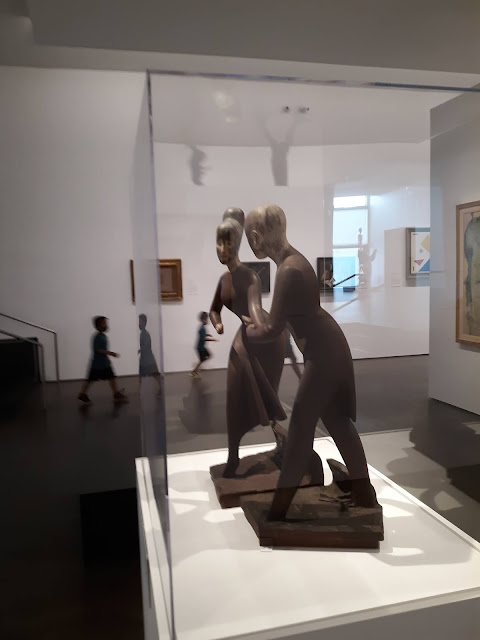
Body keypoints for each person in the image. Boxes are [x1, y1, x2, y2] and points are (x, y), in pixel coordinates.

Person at [244, 204, 376, 520]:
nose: (250, 243)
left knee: (301, 431)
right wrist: (260, 321)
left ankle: (278, 512)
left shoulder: (289, 269)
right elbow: (281, 322)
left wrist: (250, 327)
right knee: (337, 424)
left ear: (258, 236)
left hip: (324, 355)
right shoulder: (291, 263)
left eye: (250, 237)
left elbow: (271, 330)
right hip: (325, 350)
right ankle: (364, 494)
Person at [210, 207, 286, 476]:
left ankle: (280, 441)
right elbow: (214, 309)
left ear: (237, 245)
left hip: (264, 339)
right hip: (247, 335)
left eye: (227, 243)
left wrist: (257, 323)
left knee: (265, 394)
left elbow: (255, 311)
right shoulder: (223, 280)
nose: (222, 249)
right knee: (236, 395)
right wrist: (218, 323)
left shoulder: (249, 276)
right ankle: (234, 455)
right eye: (219, 243)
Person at [78, 316, 127, 404]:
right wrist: (111, 353)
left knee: (111, 377)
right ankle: (82, 394)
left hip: (105, 363)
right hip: (97, 364)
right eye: (103, 323)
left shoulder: (103, 336)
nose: (106, 325)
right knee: (90, 379)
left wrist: (108, 356)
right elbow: (98, 350)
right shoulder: (97, 337)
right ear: (98, 326)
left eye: (106, 323)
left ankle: (116, 393)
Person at [138, 314, 162, 393]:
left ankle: (161, 388)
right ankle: (141, 390)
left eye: (140, 322)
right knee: (142, 374)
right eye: (139, 321)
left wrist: (141, 349)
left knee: (155, 373)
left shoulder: (145, 334)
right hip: (144, 358)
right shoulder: (142, 333)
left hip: (148, 358)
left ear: (144, 323)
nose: (139, 324)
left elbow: (147, 345)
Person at [190, 312, 216, 379]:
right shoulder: (202, 328)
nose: (208, 321)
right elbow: (204, 339)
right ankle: (194, 371)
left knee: (208, 356)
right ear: (204, 320)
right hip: (200, 348)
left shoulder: (202, 327)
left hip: (202, 347)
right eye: (207, 319)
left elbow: (202, 335)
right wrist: (213, 340)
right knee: (203, 359)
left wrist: (207, 335)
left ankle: (196, 367)